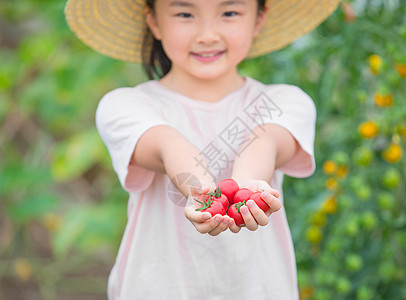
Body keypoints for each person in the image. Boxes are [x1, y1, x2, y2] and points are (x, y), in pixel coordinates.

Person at [65, 0, 340, 299]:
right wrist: (201, 191)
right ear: (154, 21)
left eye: (229, 13)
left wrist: (246, 187)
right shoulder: (125, 106)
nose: (207, 34)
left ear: (259, 19)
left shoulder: (285, 101)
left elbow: (265, 140)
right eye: (185, 13)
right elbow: (167, 145)